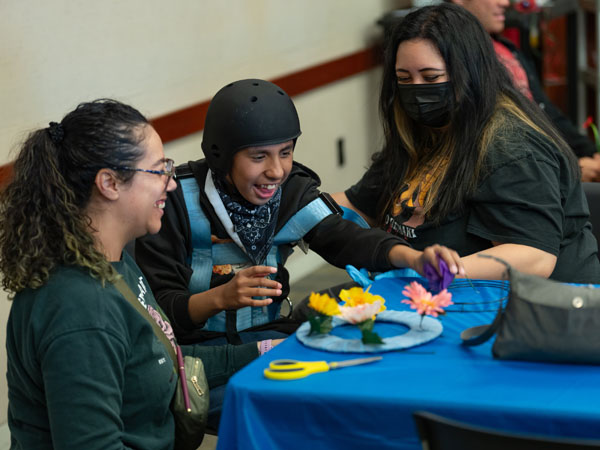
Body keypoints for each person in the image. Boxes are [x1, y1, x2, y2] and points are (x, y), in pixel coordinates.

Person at [1, 99, 269, 448]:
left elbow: (159, 360)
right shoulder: (81, 309)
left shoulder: (113, 262)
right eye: (160, 171)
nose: (171, 185)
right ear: (109, 183)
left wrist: (265, 350)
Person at [135, 78, 464, 346]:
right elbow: (159, 308)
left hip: (270, 336)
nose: (277, 171)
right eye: (258, 157)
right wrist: (220, 297)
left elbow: (345, 238)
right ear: (222, 155)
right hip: (195, 351)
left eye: (286, 152)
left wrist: (412, 257)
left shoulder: (290, 191)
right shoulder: (175, 201)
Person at [333, 4, 600, 283]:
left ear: (469, 73)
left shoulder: (511, 145)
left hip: (536, 311)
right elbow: (358, 203)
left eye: (431, 77)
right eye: (404, 79)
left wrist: (426, 270)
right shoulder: (422, 131)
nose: (416, 89)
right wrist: (297, 207)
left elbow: (533, 256)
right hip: (435, 295)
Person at [444, 0, 600, 181]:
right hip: (522, 178)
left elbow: (546, 115)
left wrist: (592, 154)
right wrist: (570, 169)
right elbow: (482, 144)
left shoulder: (508, 50)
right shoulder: (450, 58)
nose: (505, 2)